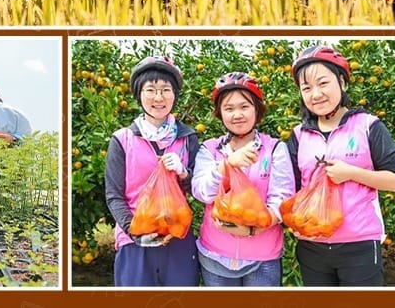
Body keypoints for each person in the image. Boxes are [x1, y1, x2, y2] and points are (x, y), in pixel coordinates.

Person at [286, 45, 395, 286]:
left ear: (342, 82)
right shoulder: (298, 135)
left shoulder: (368, 126)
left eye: (323, 83)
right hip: (312, 245)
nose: (315, 94)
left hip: (359, 244)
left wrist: (351, 173)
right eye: (306, 88)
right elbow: (294, 189)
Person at [191, 73, 295, 286]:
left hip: (262, 257)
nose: (237, 114)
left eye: (244, 107)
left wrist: (252, 230)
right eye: (229, 108)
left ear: (257, 109)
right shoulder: (210, 149)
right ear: (220, 113)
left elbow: (282, 200)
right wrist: (227, 165)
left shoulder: (274, 148)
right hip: (215, 256)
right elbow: (201, 192)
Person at [104, 56, 199, 287]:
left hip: (177, 237)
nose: (158, 97)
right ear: (139, 95)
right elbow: (114, 195)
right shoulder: (122, 139)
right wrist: (134, 232)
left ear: (174, 95)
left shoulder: (188, 139)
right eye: (151, 90)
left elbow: (199, 190)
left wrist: (184, 173)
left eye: (166, 89)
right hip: (134, 241)